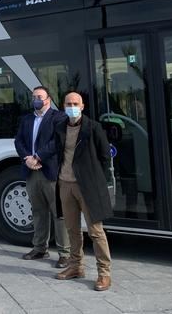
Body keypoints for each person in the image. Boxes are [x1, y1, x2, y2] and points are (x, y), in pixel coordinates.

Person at [54, 92, 113, 291]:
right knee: (72, 229)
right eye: (68, 103)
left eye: (75, 103)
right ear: (63, 106)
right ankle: (75, 267)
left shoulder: (93, 127)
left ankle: (104, 273)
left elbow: (105, 156)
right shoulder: (60, 127)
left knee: (96, 231)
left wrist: (95, 179)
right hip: (65, 184)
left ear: (82, 106)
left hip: (87, 186)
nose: (71, 106)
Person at [14, 86, 70, 267]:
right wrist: (27, 159)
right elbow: (19, 141)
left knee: (59, 214)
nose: (36, 99)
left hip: (50, 171)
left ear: (48, 99)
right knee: (38, 212)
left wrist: (38, 156)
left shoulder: (58, 117)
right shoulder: (27, 119)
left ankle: (65, 253)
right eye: (33, 97)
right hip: (31, 171)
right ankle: (39, 248)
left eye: (39, 96)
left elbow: (57, 141)